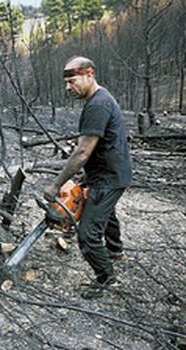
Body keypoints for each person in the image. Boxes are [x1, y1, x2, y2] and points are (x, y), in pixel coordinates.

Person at [43, 56, 132, 299]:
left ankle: (107, 278)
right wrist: (86, 176)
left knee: (88, 234)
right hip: (112, 172)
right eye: (67, 82)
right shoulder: (101, 99)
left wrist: (56, 184)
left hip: (109, 177)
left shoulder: (97, 105)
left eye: (72, 81)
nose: (68, 87)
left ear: (89, 74)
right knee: (106, 212)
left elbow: (82, 152)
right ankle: (116, 251)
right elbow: (97, 147)